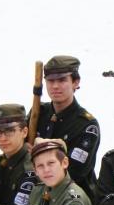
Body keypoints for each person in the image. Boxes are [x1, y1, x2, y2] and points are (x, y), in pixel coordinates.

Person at [34, 55, 100, 197]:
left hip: (72, 198)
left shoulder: (86, 125)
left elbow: (75, 171)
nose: (55, 86)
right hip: (39, 196)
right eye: (50, 80)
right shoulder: (39, 113)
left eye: (62, 80)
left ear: (75, 82)